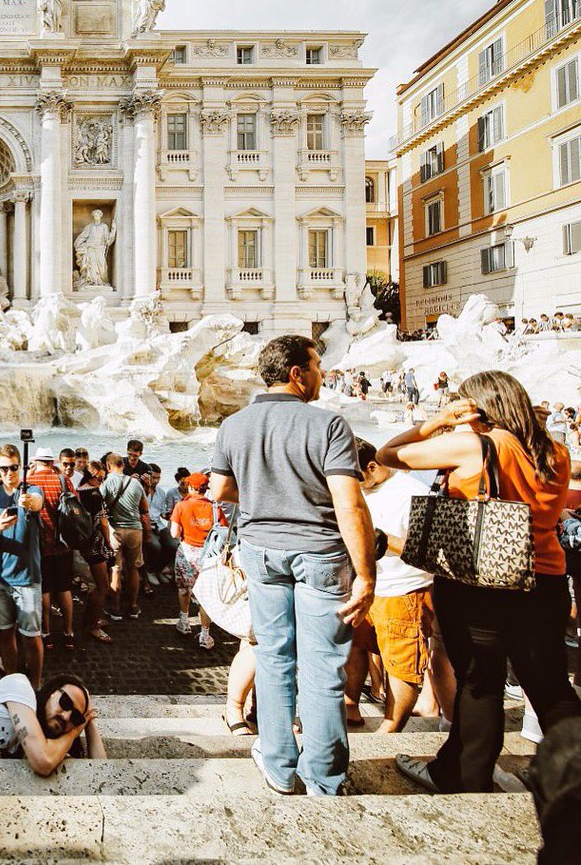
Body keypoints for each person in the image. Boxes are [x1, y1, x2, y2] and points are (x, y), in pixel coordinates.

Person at [377, 371, 581, 793]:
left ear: (476, 407)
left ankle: (464, 777)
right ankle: (569, 772)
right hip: (544, 582)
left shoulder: (476, 445)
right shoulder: (555, 451)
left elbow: (389, 454)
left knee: (479, 681)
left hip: (480, 582)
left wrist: (436, 422)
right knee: (550, 686)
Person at [210, 334, 375, 797]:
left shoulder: (234, 425)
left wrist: (267, 499)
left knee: (273, 656)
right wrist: (366, 574)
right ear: (297, 373)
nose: (323, 374)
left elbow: (219, 491)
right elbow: (349, 503)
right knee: (324, 666)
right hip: (320, 552)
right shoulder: (329, 426)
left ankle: (281, 766)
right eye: (318, 365)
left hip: (260, 550)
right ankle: (325, 777)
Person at [343, 440, 432, 733]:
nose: (354, 484)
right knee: (354, 648)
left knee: (400, 664)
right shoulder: (357, 489)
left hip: (403, 590)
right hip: (364, 587)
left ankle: (390, 729)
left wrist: (383, 539)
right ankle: (350, 706)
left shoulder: (414, 493)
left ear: (372, 467)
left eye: (357, 477)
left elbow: (431, 552)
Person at [0, 444, 46, 687]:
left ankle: (36, 684)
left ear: (22, 467)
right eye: (4, 468)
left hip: (28, 578)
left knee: (31, 636)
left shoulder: (31, 490)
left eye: (14, 467)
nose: (9, 472)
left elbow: (37, 502)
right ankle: (11, 682)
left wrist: (28, 503)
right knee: (4, 633)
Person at [25, 447, 76, 651]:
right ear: (52, 461)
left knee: (44, 590)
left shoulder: (31, 482)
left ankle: (46, 634)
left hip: (40, 545)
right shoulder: (63, 480)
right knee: (64, 589)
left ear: (37, 461)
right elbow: (76, 506)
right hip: (63, 544)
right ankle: (69, 632)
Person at [169, 472, 222, 650]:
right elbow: (221, 532)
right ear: (206, 488)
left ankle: (184, 622)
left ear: (191, 487)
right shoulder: (215, 508)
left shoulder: (181, 506)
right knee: (205, 596)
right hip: (209, 555)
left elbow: (174, 533)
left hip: (187, 552)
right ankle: (205, 635)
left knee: (184, 589)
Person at [102, 453, 150, 621]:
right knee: (133, 569)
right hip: (135, 530)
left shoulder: (107, 482)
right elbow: (144, 508)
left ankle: (115, 609)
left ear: (108, 466)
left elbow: (99, 506)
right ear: (122, 464)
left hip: (116, 531)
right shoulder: (136, 483)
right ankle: (133, 606)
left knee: (115, 569)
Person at [76, 460, 116, 644]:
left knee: (97, 585)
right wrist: (108, 542)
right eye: (99, 478)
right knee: (102, 586)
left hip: (84, 542)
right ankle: (92, 625)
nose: (101, 481)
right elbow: (103, 521)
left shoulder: (79, 489)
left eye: (103, 478)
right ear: (91, 476)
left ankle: (90, 618)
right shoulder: (94, 494)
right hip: (96, 544)